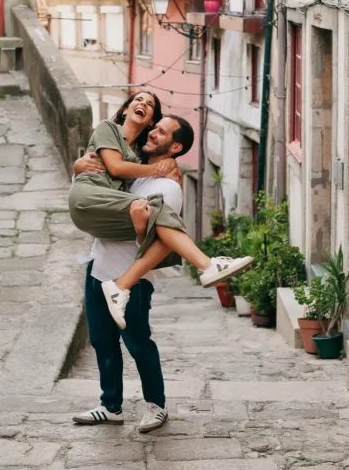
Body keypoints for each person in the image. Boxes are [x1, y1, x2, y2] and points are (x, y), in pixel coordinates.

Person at [67, 92, 253, 329]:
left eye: (150, 104)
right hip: (87, 198)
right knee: (167, 220)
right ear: (125, 110)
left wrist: (141, 223)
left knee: (166, 226)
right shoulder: (109, 129)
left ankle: (127, 284)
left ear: (150, 121)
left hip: (102, 226)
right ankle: (206, 265)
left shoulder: (138, 158)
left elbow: (151, 236)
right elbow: (114, 168)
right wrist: (76, 165)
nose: (143, 104)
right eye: (138, 100)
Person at [70, 115, 188, 433]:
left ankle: (156, 405)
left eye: (161, 131)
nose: (152, 132)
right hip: (98, 268)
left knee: (137, 343)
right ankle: (111, 406)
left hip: (130, 280)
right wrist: (79, 168)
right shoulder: (130, 169)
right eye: (155, 126)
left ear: (175, 146)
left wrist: (138, 226)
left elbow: (160, 242)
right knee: (100, 341)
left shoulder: (169, 188)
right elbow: (91, 191)